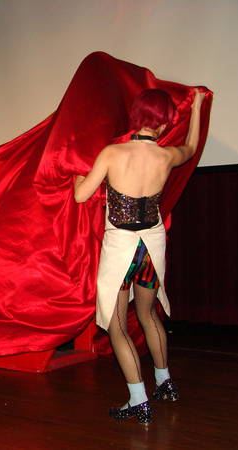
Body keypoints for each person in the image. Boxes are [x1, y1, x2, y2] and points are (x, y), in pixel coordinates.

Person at [74, 88, 205, 424]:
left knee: (117, 325)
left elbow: (81, 196)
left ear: (137, 115)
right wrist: (198, 107)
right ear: (163, 122)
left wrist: (77, 179)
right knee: (148, 314)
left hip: (122, 248)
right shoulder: (167, 156)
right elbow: (191, 148)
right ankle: (165, 384)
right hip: (151, 246)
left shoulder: (112, 153)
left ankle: (139, 401)